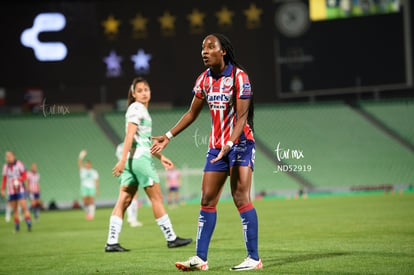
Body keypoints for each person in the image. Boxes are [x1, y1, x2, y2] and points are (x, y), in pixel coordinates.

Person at [151, 33, 262, 271]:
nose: (204, 51)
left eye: (210, 47)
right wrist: (168, 136)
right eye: (202, 48)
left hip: (240, 143)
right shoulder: (203, 80)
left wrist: (230, 144)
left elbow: (242, 117)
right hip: (215, 147)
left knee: (241, 197)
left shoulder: (239, 77)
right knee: (206, 200)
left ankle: (254, 258)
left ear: (223, 51)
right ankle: (200, 258)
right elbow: (192, 113)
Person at [105, 77, 192, 252]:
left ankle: (111, 242)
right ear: (133, 93)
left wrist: (160, 157)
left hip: (132, 160)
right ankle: (171, 238)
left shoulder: (138, 110)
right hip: (140, 160)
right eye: (140, 90)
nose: (144, 93)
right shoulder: (137, 109)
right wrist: (121, 161)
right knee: (156, 198)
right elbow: (129, 136)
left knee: (124, 199)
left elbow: (141, 139)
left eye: (146, 89)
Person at [1, 151, 32, 232]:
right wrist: (2, 189)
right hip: (11, 191)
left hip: (20, 189)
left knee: (24, 207)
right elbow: (4, 179)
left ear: (13, 156)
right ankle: (17, 227)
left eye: (9, 156)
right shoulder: (5, 167)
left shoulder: (19, 164)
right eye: (6, 156)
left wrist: (19, 180)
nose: (7, 158)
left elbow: (25, 175)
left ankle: (29, 224)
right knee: (15, 209)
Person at [116, 142, 142, 227]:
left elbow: (119, 158)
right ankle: (132, 219)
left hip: (122, 171)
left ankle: (120, 219)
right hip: (129, 170)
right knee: (133, 195)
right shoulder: (131, 145)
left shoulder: (119, 146)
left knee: (124, 195)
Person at [77, 150, 99, 220]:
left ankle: (91, 215)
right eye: (86, 164)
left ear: (90, 165)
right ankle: (87, 213)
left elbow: (96, 181)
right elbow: (79, 164)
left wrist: (97, 189)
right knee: (85, 201)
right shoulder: (83, 171)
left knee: (91, 200)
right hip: (84, 187)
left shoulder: (94, 172)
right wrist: (81, 156)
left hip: (91, 187)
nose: (87, 165)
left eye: (89, 164)